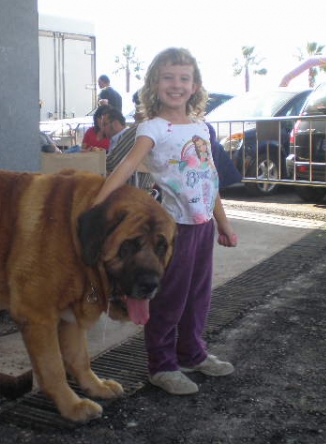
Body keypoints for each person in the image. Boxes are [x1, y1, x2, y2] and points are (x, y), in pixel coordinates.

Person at [92, 47, 238, 395]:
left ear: (195, 84)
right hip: (172, 230)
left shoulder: (203, 127)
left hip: (202, 226)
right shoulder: (153, 127)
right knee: (170, 297)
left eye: (184, 78)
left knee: (198, 295)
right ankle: (162, 365)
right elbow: (126, 165)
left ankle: (192, 353)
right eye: (168, 78)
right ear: (154, 84)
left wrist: (224, 224)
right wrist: (98, 203)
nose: (176, 85)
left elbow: (210, 180)